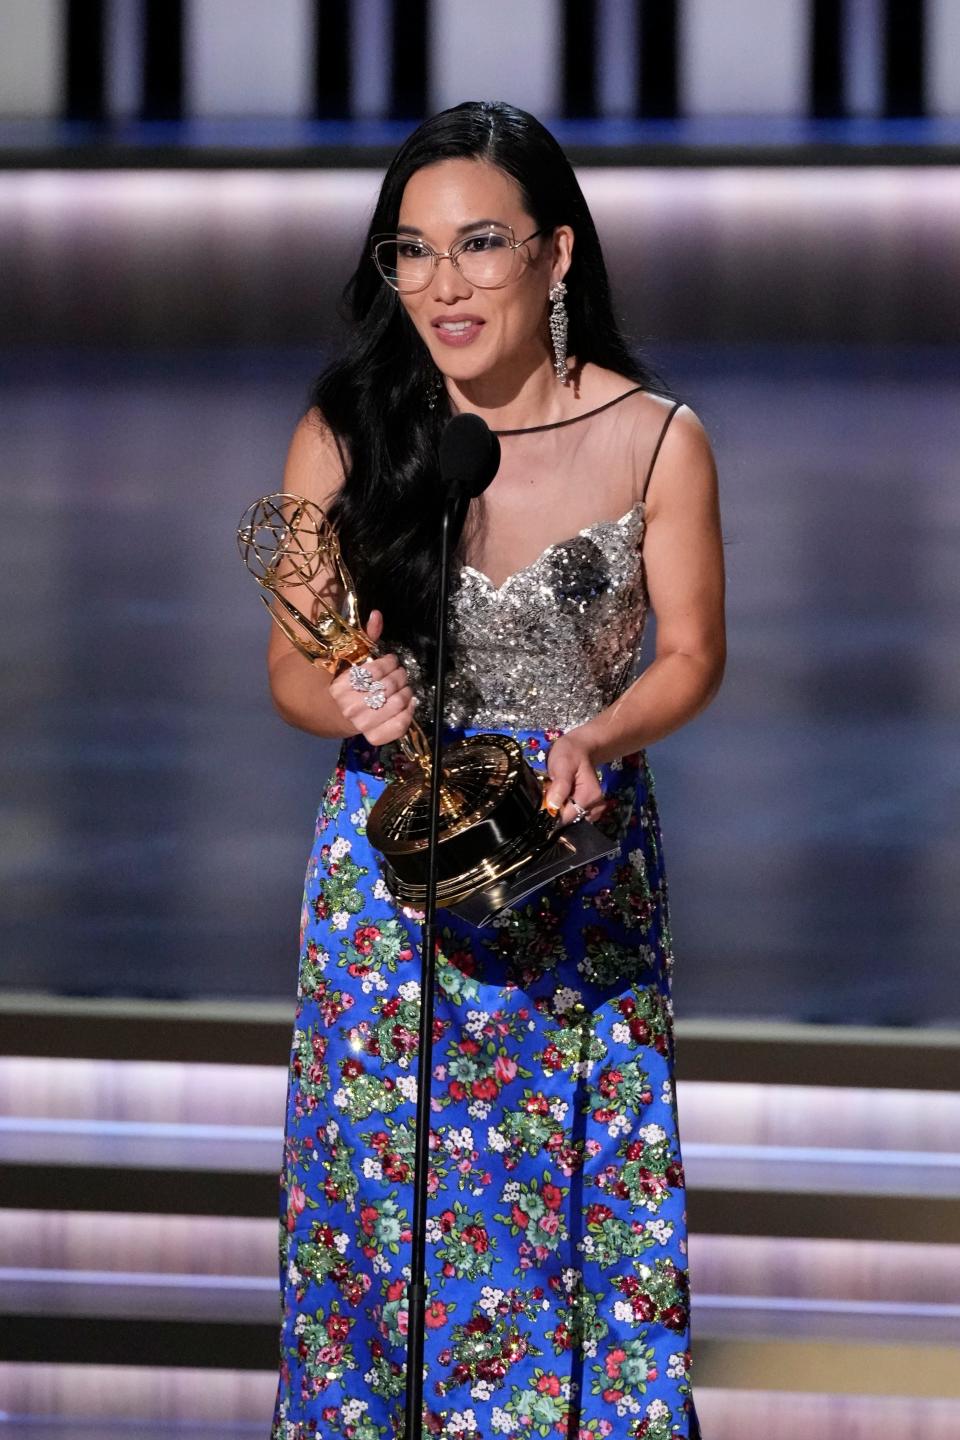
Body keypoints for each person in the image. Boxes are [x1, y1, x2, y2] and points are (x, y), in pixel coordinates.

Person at [267, 100, 723, 1440]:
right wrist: (343, 691)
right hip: (390, 880)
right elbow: (292, 672)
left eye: (478, 246)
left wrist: (604, 732)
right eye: (409, 254)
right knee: (378, 1217)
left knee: (572, 1209)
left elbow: (692, 653)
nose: (442, 285)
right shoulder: (345, 429)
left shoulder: (655, 437)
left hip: (575, 856)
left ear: (556, 254)